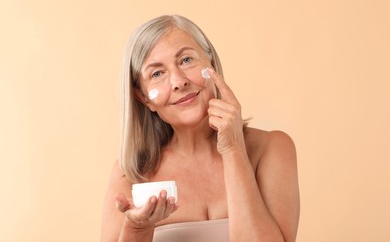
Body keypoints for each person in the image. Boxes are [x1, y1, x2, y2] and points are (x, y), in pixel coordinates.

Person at [101, 15, 300, 242]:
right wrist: (137, 229)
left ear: (211, 64)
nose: (178, 81)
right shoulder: (131, 173)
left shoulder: (271, 149)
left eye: (186, 60)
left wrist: (233, 148)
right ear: (144, 98)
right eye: (157, 73)